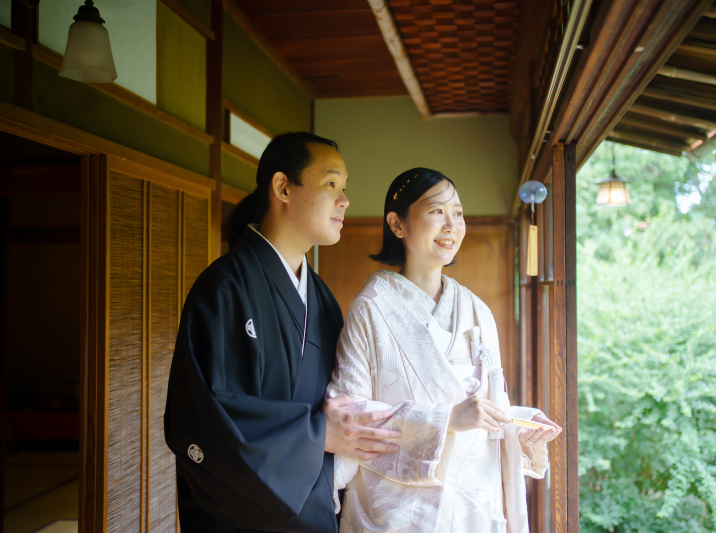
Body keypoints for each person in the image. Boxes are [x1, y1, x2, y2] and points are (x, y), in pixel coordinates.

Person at [164, 132, 401, 533]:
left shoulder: (322, 299)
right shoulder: (223, 288)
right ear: (282, 187)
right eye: (331, 184)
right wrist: (317, 434)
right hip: (239, 519)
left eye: (345, 189)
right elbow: (206, 419)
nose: (344, 201)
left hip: (316, 511)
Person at [328, 168, 562, 533]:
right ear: (398, 223)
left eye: (458, 213)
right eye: (437, 211)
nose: (451, 225)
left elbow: (483, 411)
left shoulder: (478, 311)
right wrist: (446, 421)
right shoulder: (370, 308)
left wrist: (517, 424)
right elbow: (349, 416)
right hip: (398, 514)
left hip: (472, 507)